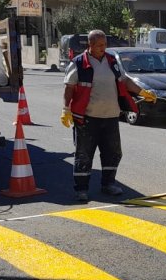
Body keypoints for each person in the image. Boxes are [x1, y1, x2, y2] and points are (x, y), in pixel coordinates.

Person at [60, 30, 156, 202]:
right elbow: (69, 87)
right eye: (99, 45)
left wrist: (142, 91)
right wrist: (66, 109)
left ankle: (108, 184)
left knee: (113, 153)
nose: (103, 48)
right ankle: (81, 189)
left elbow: (125, 81)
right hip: (87, 119)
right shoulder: (79, 63)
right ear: (90, 45)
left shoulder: (111, 61)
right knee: (83, 155)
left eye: (104, 45)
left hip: (111, 118)